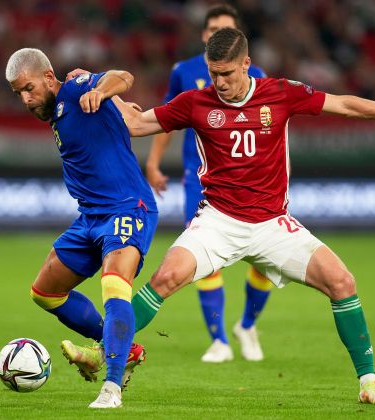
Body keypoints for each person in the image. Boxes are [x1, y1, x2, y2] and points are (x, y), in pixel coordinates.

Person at [118, 28, 375, 405]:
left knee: (342, 282)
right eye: (213, 73)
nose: (220, 83)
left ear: (246, 65)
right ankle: (103, 349)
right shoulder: (195, 102)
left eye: (227, 73)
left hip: (273, 224)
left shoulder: (280, 92)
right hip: (218, 221)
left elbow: (344, 105)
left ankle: (368, 383)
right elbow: (136, 125)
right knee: (165, 278)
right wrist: (100, 90)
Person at [5, 48, 158, 409]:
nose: (26, 99)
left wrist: (100, 91)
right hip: (89, 217)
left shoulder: (76, 89)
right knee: (45, 292)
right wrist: (114, 104)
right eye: (19, 94)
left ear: (48, 77)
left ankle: (112, 388)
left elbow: (123, 76)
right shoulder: (58, 111)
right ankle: (120, 346)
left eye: (29, 88)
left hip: (126, 208)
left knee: (114, 286)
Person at [146, 3, 272, 364]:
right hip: (199, 181)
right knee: (205, 260)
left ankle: (247, 325)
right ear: (204, 35)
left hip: (250, 183)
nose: (218, 34)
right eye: (214, 29)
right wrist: (153, 162)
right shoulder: (184, 72)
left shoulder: (258, 76)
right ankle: (219, 340)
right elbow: (166, 119)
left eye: (226, 29)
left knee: (265, 261)